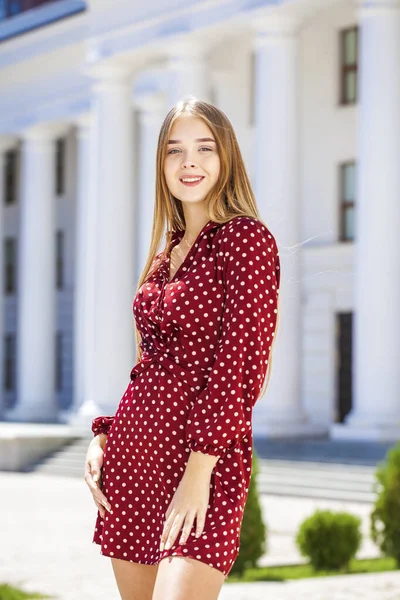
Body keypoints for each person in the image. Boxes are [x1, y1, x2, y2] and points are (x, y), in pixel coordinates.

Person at [84, 96, 281, 600]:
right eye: (174, 150)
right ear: (161, 165)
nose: (188, 162)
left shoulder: (246, 240)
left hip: (203, 463)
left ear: (227, 158)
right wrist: (104, 436)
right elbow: (147, 365)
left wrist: (199, 470)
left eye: (203, 148)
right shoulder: (163, 254)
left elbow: (241, 363)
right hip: (132, 459)